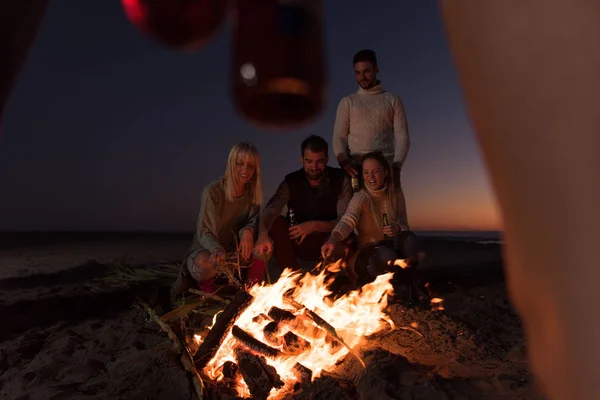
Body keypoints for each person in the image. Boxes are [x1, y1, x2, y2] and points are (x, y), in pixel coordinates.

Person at [332, 49, 410, 228]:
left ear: (376, 69)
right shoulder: (348, 102)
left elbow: (403, 136)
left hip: (385, 170)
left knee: (394, 221)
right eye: (358, 73)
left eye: (366, 71)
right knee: (351, 221)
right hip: (356, 171)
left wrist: (397, 166)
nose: (362, 77)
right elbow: (338, 136)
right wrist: (343, 160)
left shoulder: (392, 100)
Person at [174, 142, 265, 295]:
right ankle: (208, 293)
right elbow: (204, 231)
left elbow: (253, 221)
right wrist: (216, 248)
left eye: (250, 165)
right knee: (204, 261)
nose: (245, 170)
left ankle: (249, 292)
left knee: (264, 248)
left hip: (234, 254)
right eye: (240, 163)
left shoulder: (252, 193)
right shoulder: (213, 191)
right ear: (230, 164)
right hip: (209, 250)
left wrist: (248, 230)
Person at [255, 135, 353, 271]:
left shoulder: (340, 180)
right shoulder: (291, 182)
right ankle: (292, 279)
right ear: (302, 160)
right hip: (298, 240)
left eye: (319, 161)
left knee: (345, 242)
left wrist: (313, 226)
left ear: (327, 159)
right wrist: (262, 234)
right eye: (309, 161)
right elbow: (270, 210)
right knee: (277, 223)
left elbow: (345, 221)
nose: (314, 166)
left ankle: (332, 281)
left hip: (328, 239)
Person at [320, 151, 418, 286]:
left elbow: (404, 224)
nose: (370, 177)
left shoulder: (396, 194)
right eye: (366, 172)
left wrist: (397, 228)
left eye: (376, 171)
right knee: (386, 255)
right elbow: (348, 220)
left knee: (410, 240)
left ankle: (410, 289)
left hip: (390, 245)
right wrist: (334, 238)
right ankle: (374, 287)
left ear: (386, 172)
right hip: (366, 252)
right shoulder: (361, 197)